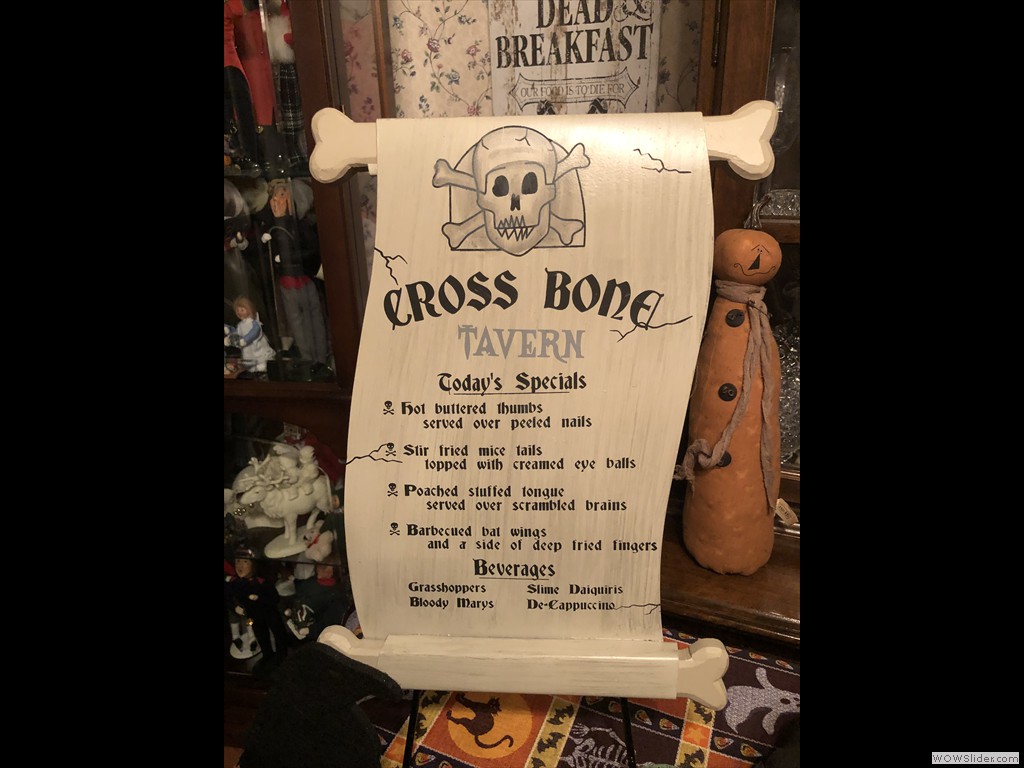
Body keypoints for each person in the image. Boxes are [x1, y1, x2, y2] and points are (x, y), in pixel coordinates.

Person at [225, 548, 290, 676]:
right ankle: (267, 655)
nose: (240, 566)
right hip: (252, 616)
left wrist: (259, 598)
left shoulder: (263, 582)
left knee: (279, 634)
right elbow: (228, 597)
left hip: (270, 614)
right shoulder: (236, 583)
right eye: (238, 561)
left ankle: (282, 657)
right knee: (261, 635)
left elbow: (274, 598)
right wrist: (235, 607)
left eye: (245, 562)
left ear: (253, 564)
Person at [225, 297, 276, 373]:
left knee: (261, 365)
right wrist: (229, 331)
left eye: (242, 310)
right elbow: (238, 334)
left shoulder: (254, 324)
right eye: (237, 310)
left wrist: (245, 340)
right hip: (248, 350)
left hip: (257, 349)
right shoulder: (240, 325)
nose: (239, 313)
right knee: (250, 366)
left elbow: (254, 333)